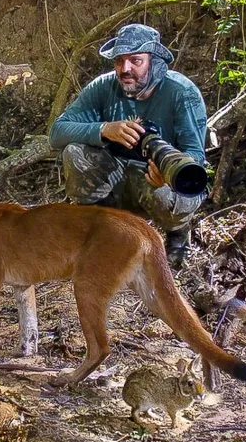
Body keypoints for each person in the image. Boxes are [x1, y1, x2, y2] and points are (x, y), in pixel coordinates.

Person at [49, 23, 208, 268]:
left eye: (135, 60)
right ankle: (98, 228)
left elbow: (195, 155)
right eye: (119, 61)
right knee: (74, 152)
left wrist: (165, 174)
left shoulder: (181, 92)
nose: (125, 69)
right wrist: (104, 129)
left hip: (154, 180)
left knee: (184, 181)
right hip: (117, 179)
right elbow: (57, 133)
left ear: (154, 61)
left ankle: (177, 233)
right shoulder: (104, 87)